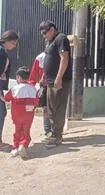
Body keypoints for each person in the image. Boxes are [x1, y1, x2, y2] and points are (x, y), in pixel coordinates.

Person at [0, 67, 38, 159]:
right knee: (26, 131)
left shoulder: (14, 89)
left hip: (17, 115)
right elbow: (36, 102)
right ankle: (23, 145)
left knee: (17, 131)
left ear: (18, 77)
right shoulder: (33, 89)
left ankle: (15, 147)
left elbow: (6, 99)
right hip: (28, 114)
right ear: (28, 78)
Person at [39, 20, 72, 148]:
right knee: (51, 108)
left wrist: (59, 78)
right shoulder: (50, 41)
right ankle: (54, 133)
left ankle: (57, 136)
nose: (44, 36)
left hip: (59, 80)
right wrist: (44, 76)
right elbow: (49, 59)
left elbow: (64, 58)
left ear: (52, 29)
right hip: (50, 80)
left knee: (58, 108)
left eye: (45, 33)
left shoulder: (61, 38)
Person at [29, 52, 53, 137]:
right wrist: (30, 86)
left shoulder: (59, 54)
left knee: (52, 109)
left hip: (55, 85)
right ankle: (48, 130)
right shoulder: (40, 57)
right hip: (46, 86)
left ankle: (52, 130)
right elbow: (34, 73)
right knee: (46, 109)